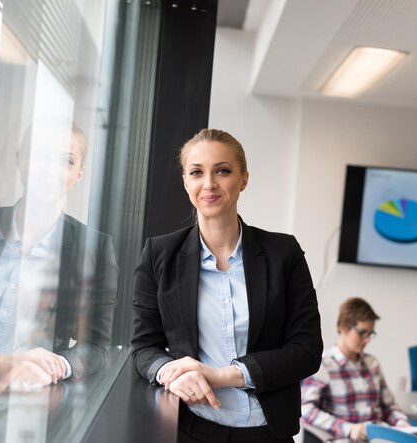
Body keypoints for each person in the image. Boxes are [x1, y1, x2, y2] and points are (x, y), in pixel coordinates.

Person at [131, 128, 323, 442]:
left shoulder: (282, 253)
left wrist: (222, 376)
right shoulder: (159, 254)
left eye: (222, 170)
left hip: (268, 431)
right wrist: (170, 374)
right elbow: (144, 347)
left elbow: (307, 350)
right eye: (197, 172)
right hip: (191, 428)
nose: (209, 184)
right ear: (185, 182)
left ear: (243, 178)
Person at [0, 120, 118, 394]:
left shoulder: (95, 248)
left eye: (66, 161)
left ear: (79, 174)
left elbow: (97, 346)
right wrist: (2, 363)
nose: (50, 171)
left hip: (28, 401)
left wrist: (58, 363)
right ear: (19, 161)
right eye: (39, 156)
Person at [301, 297, 409, 442]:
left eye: (370, 334)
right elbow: (305, 409)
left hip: (379, 437)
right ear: (344, 328)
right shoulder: (324, 364)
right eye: (362, 333)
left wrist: (402, 424)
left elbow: (389, 407)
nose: (367, 340)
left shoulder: (372, 363)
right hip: (346, 438)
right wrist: (348, 429)